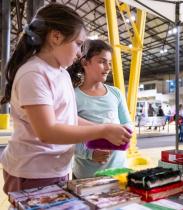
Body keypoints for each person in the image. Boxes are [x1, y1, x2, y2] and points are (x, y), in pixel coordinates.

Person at [0, 4, 131, 194]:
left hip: (57, 167)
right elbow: (48, 131)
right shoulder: (34, 73)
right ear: (56, 37)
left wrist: (106, 131)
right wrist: (103, 130)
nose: (79, 53)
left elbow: (69, 118)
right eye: (78, 44)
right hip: (32, 171)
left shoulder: (60, 73)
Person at [67, 39, 132, 179]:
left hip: (118, 173)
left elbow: (127, 123)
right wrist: (89, 153)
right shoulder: (73, 96)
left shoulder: (116, 93)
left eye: (109, 62)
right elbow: (68, 135)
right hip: (86, 177)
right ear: (85, 62)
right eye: (102, 62)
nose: (108, 68)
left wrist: (125, 137)